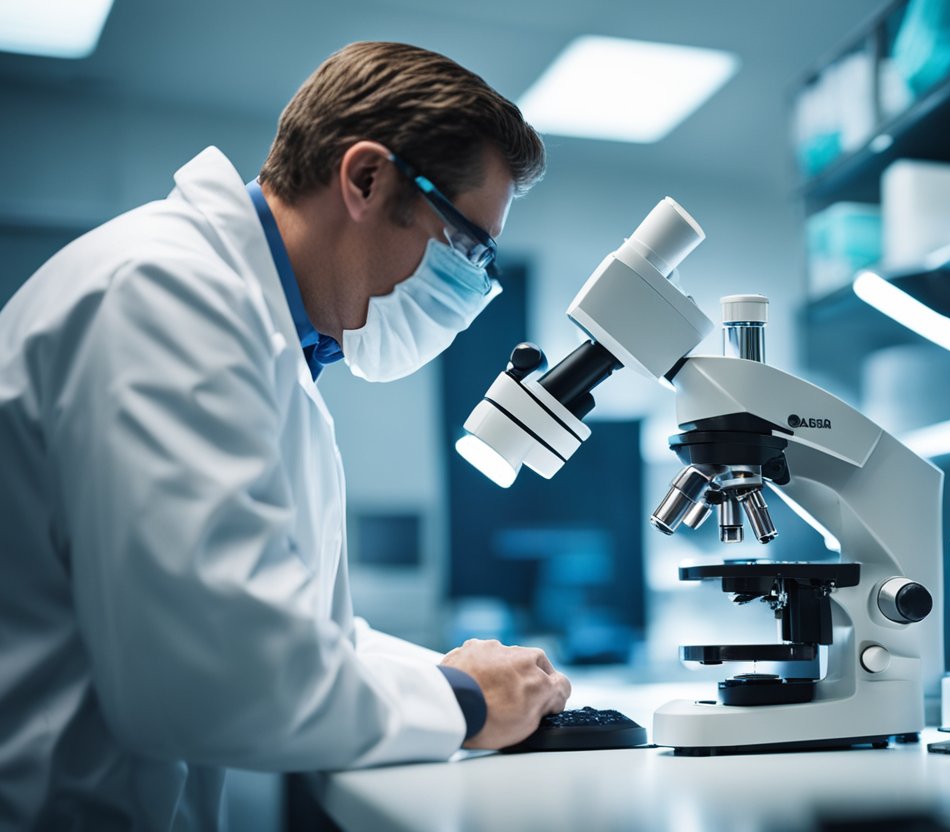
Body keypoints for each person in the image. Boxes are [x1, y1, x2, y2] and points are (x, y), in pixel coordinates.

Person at [0, 41, 571, 830]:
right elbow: (213, 678)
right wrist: (466, 700)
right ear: (366, 179)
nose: (471, 284)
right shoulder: (163, 299)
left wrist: (460, 674)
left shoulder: (261, 340)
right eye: (466, 246)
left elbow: (293, 633)